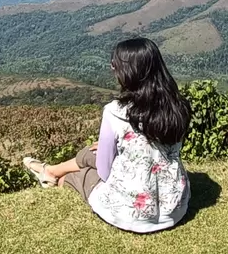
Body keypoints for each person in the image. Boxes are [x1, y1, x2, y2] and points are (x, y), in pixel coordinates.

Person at [23, 37, 192, 233]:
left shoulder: (116, 111)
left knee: (82, 175)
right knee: (90, 152)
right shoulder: (179, 106)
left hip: (128, 212)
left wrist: (106, 151)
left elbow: (104, 172)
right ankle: (50, 171)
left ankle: (52, 176)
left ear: (128, 72)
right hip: (175, 208)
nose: (113, 71)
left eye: (114, 66)